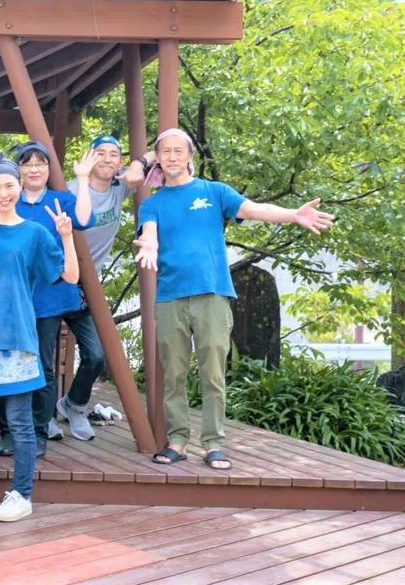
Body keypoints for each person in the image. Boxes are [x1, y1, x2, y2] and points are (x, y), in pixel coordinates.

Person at [134, 128, 333, 471]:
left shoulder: (213, 192)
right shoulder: (151, 204)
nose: (172, 157)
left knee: (213, 374)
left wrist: (293, 215)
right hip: (170, 299)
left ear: (190, 157)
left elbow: (254, 210)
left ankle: (213, 443)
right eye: (165, 151)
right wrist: (149, 244)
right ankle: (178, 440)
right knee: (175, 376)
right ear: (159, 159)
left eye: (179, 151)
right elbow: (148, 232)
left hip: (212, 295)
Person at [0, 153, 79, 522]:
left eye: (9, 184)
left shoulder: (35, 233)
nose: (4, 192)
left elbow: (70, 277)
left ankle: (21, 494)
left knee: (20, 420)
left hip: (20, 335)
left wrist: (67, 236)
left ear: (19, 185)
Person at [10, 141, 97, 458]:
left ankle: (45, 424)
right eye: (27, 163)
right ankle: (27, 428)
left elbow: (84, 220)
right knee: (26, 364)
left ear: (49, 169)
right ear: (18, 169)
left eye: (40, 163)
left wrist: (83, 179)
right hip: (23, 298)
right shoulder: (10, 202)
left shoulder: (61, 200)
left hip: (59, 293)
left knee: (55, 364)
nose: (34, 169)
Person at [60, 135, 145, 442]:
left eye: (115, 155)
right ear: (89, 158)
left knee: (96, 355)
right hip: (55, 281)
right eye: (101, 154)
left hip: (89, 287)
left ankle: (74, 405)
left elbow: (163, 151)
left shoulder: (120, 186)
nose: (108, 159)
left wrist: (139, 162)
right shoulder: (68, 191)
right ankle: (40, 418)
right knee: (41, 356)